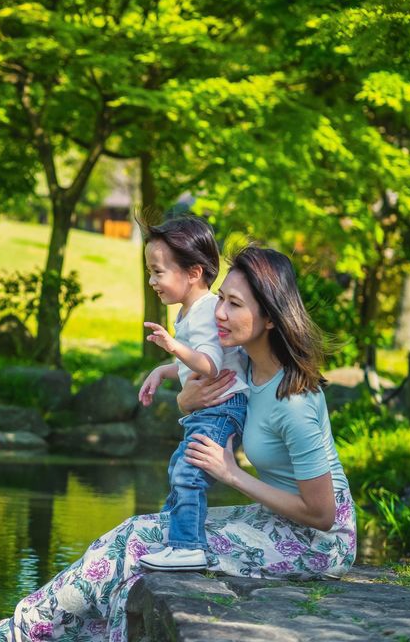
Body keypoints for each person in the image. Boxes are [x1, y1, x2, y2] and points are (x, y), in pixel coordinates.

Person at [0, 246, 355, 642]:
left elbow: (322, 514)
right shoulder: (244, 365)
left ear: (271, 319)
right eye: (221, 298)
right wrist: (186, 397)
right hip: (277, 521)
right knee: (133, 531)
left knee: (141, 557)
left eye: (235, 305)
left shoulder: (295, 401)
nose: (219, 313)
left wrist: (231, 475)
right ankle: (11, 634)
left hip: (318, 544)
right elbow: (195, 400)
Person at [135, 216, 248, 571]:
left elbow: (209, 366)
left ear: (193, 272)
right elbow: (192, 365)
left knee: (189, 472)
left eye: (158, 272)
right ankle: (175, 536)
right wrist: (163, 370)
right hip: (212, 407)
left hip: (222, 406)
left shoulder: (204, 313)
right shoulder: (192, 311)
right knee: (180, 466)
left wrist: (172, 347)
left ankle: (188, 546)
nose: (152, 281)